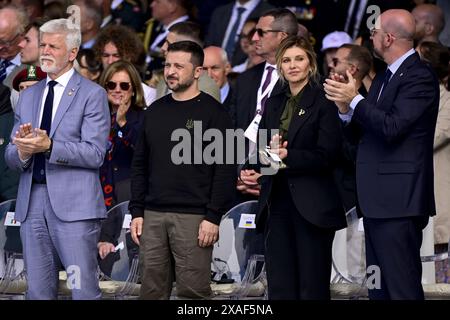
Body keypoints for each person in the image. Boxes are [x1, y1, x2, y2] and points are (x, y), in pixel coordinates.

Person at [324, 9, 439, 300]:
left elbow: (392, 128)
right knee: (378, 289)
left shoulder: (419, 76)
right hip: (377, 201)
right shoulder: (385, 76)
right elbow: (365, 134)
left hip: (398, 202)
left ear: (387, 38)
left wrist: (356, 100)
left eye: (373, 32)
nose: (370, 38)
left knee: (401, 288)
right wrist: (345, 111)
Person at [5, 18, 110, 300]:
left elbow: (95, 153)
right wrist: (25, 151)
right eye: (42, 45)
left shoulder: (93, 94)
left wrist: (50, 146)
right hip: (32, 203)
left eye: (53, 46)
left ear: (73, 53)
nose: (45, 51)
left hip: (75, 208)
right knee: (37, 293)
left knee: (82, 291)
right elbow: (11, 157)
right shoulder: (29, 96)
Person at [129, 40, 235, 299]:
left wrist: (213, 217)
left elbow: (226, 169)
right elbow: (140, 164)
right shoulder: (153, 111)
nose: (170, 71)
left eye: (179, 65)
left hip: (194, 218)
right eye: (167, 65)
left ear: (198, 71)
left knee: (193, 293)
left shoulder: (217, 114)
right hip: (152, 216)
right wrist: (137, 211)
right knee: (151, 291)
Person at [255, 36, 345, 300]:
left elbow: (328, 155)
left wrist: (288, 156)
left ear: (311, 64)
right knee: (280, 286)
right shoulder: (274, 101)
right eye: (286, 60)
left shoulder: (324, 100)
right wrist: (257, 166)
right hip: (276, 201)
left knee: (311, 287)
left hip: (311, 206)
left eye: (299, 59)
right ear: (280, 67)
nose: (292, 65)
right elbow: (263, 148)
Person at [97, 60, 146, 275]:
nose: (117, 90)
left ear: (133, 89)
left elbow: (143, 151)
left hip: (130, 201)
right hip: (97, 199)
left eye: (124, 86)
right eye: (111, 85)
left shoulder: (144, 117)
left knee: (129, 272)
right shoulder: (94, 116)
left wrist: (123, 123)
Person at [417, 41, 450, 283]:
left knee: (441, 270)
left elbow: (437, 136)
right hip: (411, 191)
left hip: (438, 189)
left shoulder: (446, 98)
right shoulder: (408, 94)